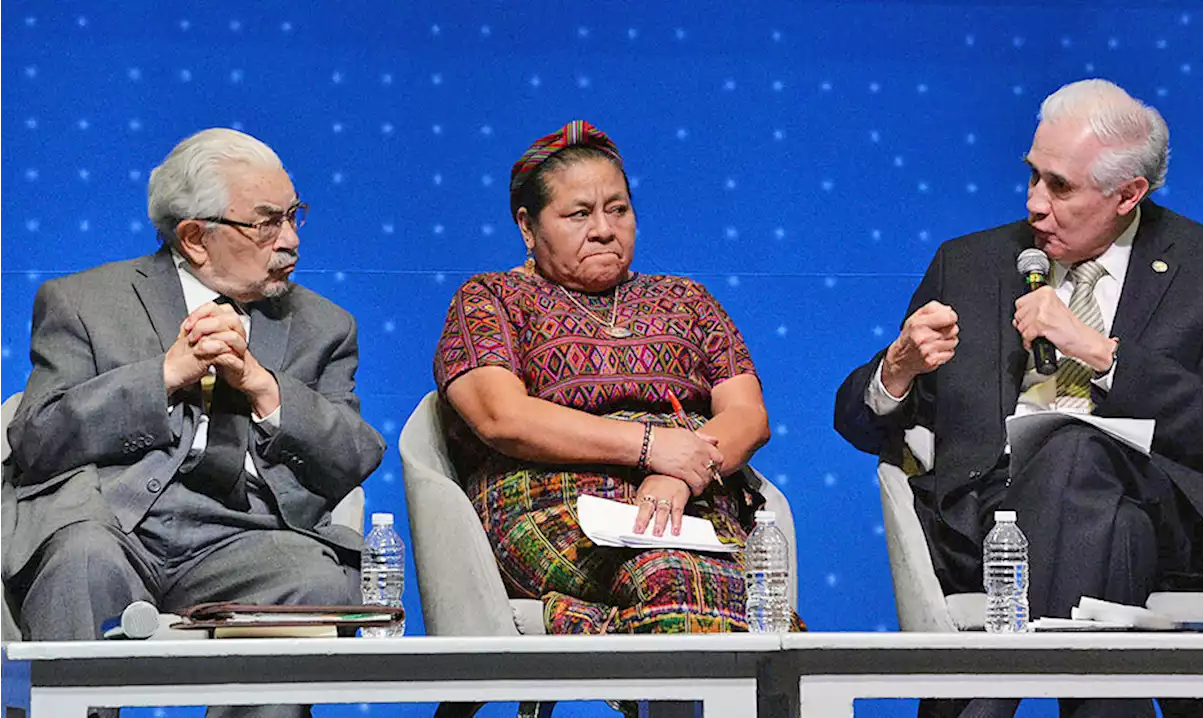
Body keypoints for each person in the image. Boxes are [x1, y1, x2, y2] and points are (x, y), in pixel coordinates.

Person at [834, 80, 1203, 718]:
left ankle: (984, 701)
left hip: (1159, 515)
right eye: (1032, 177)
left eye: (1059, 187)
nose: (1034, 203)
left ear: (1128, 194)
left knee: (1075, 452)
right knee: (1092, 502)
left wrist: (1102, 354)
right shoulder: (970, 263)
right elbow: (858, 424)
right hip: (988, 520)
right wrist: (898, 367)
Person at [3, 128, 386, 718]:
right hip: (112, 523)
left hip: (245, 536)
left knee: (318, 580)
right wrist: (165, 373)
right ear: (195, 237)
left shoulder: (324, 326)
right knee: (80, 560)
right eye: (265, 223)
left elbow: (353, 457)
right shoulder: (83, 301)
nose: (289, 240)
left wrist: (264, 386)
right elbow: (38, 438)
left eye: (293, 216)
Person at [434, 120, 782, 636]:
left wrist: (680, 469)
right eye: (579, 214)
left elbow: (747, 415)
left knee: (708, 579)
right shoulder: (491, 299)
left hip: (688, 498)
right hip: (547, 496)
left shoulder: (686, 299)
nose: (603, 228)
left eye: (617, 209)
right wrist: (649, 447)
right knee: (675, 576)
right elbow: (501, 416)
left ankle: (613, 642)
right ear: (528, 228)